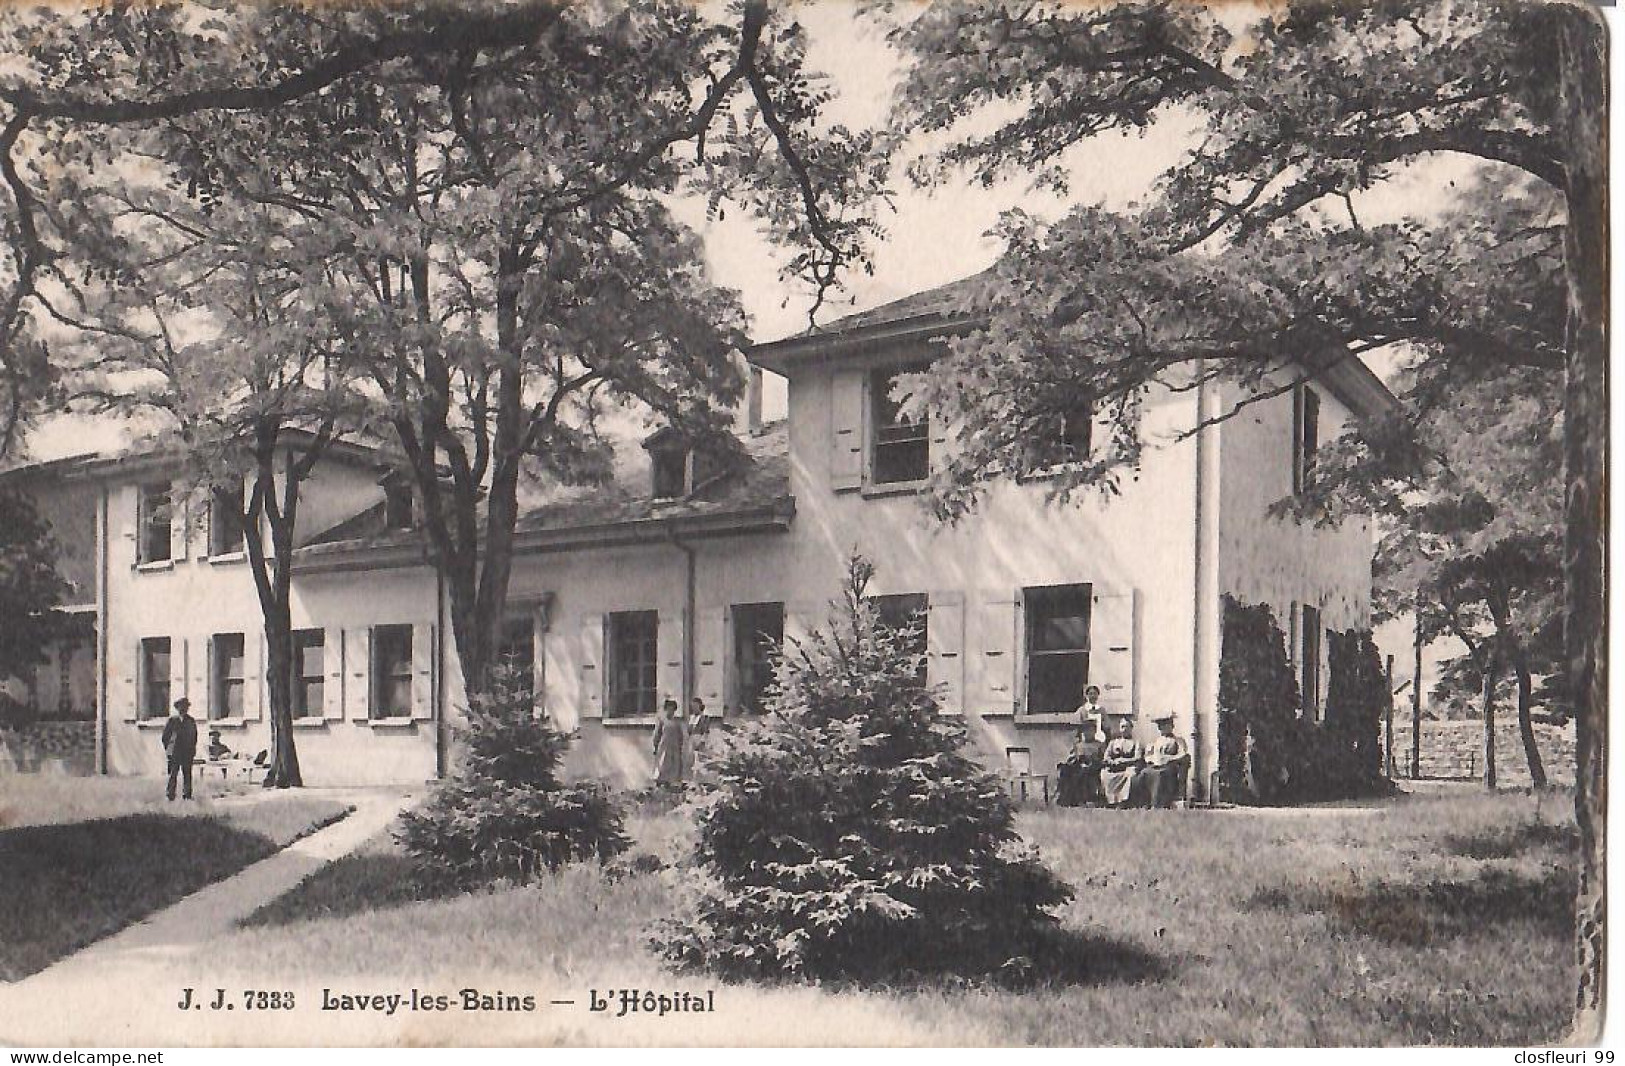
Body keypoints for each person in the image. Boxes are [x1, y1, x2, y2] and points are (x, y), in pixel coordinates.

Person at [1143, 714, 1191, 809]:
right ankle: (1145, 802)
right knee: (1144, 773)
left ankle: (1158, 803)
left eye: (1167, 725)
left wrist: (1168, 759)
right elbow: (1148, 755)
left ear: (1172, 726)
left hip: (1171, 766)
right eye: (1161, 726)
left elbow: (1183, 754)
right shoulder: (1156, 741)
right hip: (1156, 765)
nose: (1164, 728)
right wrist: (1152, 759)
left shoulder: (1178, 740)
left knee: (1160, 774)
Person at [1100, 717, 1143, 808]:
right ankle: (1110, 801)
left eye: (1127, 727)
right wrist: (1112, 761)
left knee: (1130, 774)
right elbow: (1106, 757)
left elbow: (1138, 758)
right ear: (1119, 728)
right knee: (1104, 773)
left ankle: (1123, 801)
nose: (1125, 729)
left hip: (1128, 767)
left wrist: (1124, 761)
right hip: (1114, 767)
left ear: (1131, 728)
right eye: (1123, 727)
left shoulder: (1136, 742)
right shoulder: (1113, 742)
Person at [161, 697, 199, 801]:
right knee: (173, 774)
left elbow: (194, 736)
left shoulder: (190, 721)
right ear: (177, 708)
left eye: (186, 707)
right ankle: (170, 795)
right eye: (181, 706)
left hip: (187, 752)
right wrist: (169, 749)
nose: (184, 709)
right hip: (175, 752)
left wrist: (192, 749)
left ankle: (187, 795)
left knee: (187, 774)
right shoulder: (172, 720)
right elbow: (165, 736)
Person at [652, 697, 692, 789]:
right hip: (664, 747)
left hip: (674, 747)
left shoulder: (676, 722)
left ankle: (671, 783)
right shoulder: (662, 721)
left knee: (674, 765)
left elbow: (680, 736)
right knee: (663, 764)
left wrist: (681, 746)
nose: (671, 711)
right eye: (669, 709)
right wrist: (655, 746)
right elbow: (657, 734)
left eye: (673, 709)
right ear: (666, 709)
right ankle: (660, 782)